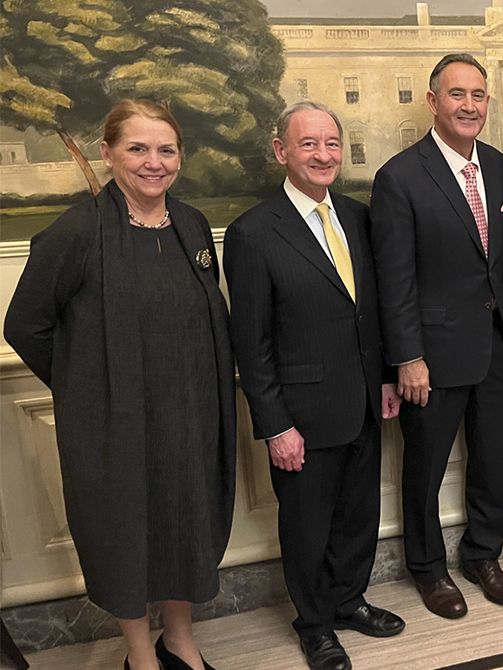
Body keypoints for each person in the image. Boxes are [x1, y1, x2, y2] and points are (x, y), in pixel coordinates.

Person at [4, 99, 235, 670]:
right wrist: (84, 386)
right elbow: (24, 325)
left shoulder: (191, 225)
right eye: (137, 148)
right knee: (122, 535)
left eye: (166, 149)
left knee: (186, 523)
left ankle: (180, 642)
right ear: (107, 153)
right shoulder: (77, 232)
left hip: (188, 415)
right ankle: (140, 656)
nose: (153, 162)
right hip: (114, 427)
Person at [224, 101, 405, 670]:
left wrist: (382, 380)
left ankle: (350, 601)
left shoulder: (356, 215)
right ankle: (315, 624)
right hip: (300, 414)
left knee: (358, 516)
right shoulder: (253, 233)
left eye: (331, 143)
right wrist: (275, 424)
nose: (323, 155)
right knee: (306, 528)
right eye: (308, 144)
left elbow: (368, 312)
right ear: (281, 151)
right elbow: (250, 345)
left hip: (362, 402)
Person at [370, 54, 503, 619]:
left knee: (495, 462)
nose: (469, 105)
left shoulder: (497, 167)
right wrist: (407, 357)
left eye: (478, 95)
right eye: (457, 94)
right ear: (433, 101)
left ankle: (482, 556)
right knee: (425, 468)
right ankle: (429, 568)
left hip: (500, 347)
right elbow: (394, 280)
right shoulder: (398, 177)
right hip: (433, 357)